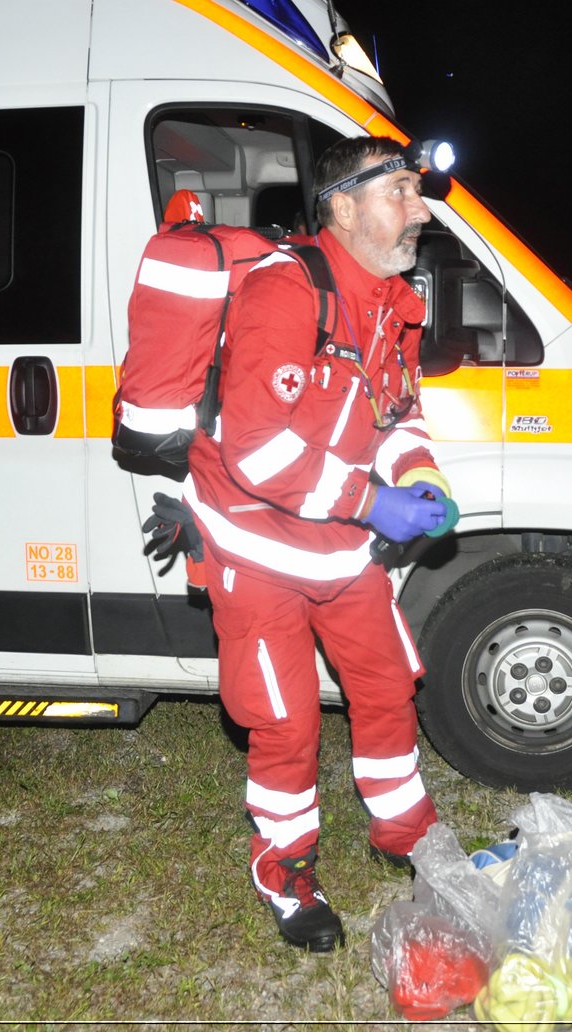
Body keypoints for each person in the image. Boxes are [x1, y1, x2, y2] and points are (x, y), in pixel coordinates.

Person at [181, 137, 448, 952]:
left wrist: (423, 478)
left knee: (387, 685)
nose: (422, 209)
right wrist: (375, 503)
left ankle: (407, 832)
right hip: (257, 546)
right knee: (286, 721)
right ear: (341, 204)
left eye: (418, 192)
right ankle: (287, 868)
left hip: (337, 543)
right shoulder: (285, 290)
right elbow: (256, 451)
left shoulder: (394, 302)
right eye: (402, 190)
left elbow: (397, 413)